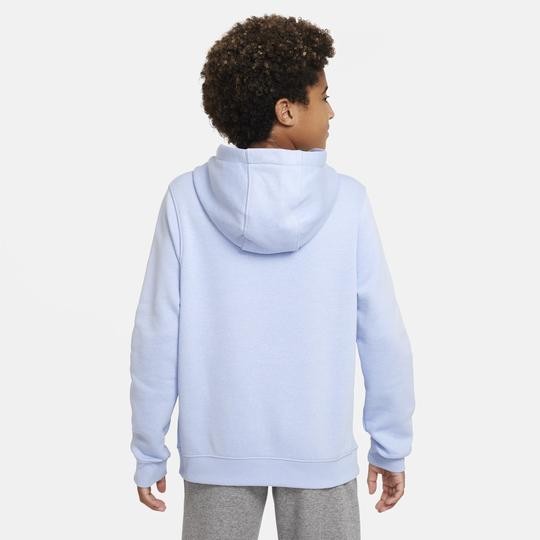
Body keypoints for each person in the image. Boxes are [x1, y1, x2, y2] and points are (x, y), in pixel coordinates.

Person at [129, 14, 415, 539]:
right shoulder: (347, 201)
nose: (331, 111)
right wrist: (390, 445)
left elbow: (156, 334)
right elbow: (383, 333)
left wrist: (150, 449)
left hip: (217, 449)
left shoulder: (186, 199)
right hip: (320, 450)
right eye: (323, 97)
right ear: (287, 111)